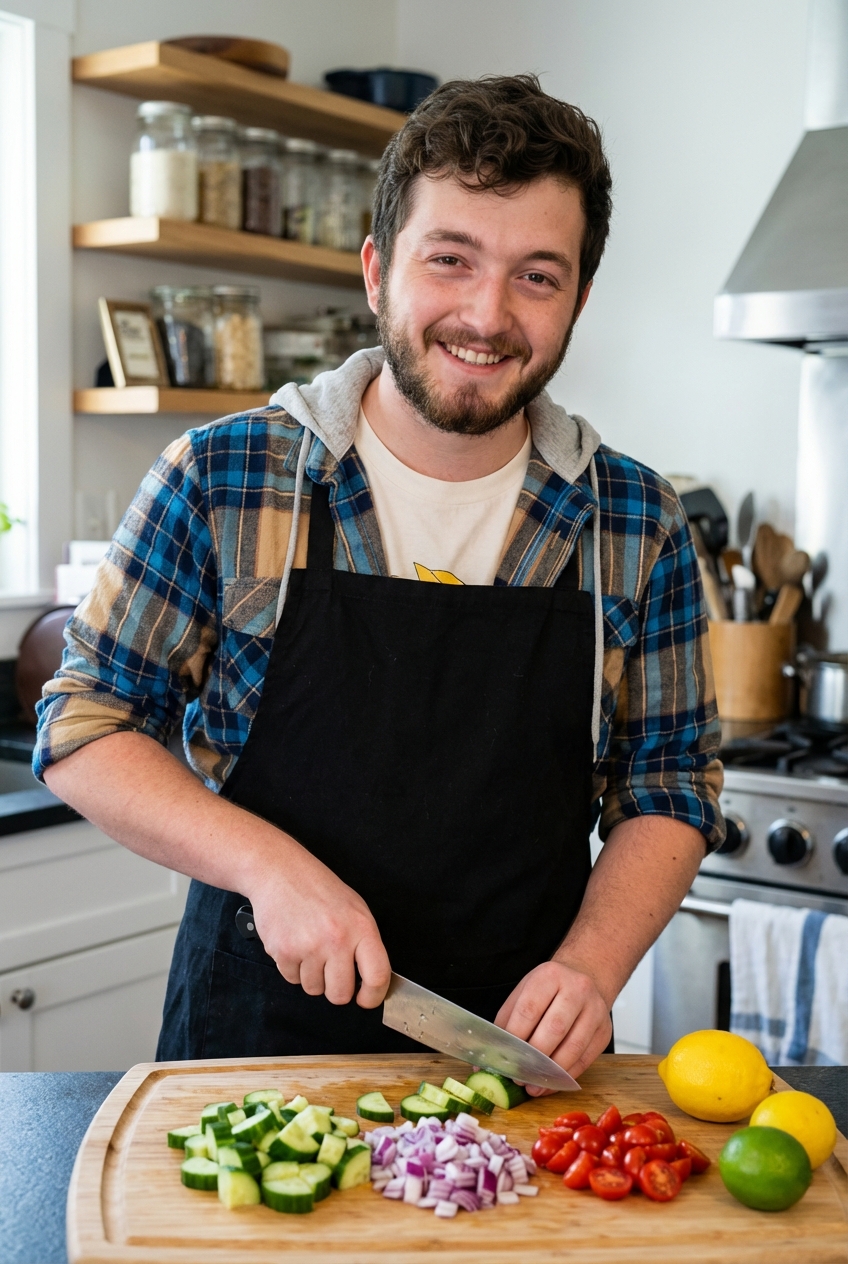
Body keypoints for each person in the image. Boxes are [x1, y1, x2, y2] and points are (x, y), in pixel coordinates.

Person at [37, 75, 724, 1087]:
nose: (485, 316)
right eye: (450, 260)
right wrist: (268, 868)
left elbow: (667, 782)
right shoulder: (225, 479)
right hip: (254, 1046)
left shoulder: (636, 520)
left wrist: (590, 966)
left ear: (577, 297)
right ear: (375, 270)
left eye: (536, 275)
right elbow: (87, 723)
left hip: (518, 1048)